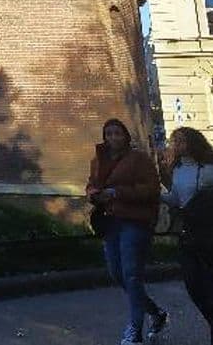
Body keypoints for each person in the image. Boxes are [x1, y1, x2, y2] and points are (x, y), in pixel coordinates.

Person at [87, 117, 169, 345]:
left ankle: (134, 331)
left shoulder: (139, 159)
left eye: (117, 133)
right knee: (117, 274)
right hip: (110, 221)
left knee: (132, 275)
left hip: (134, 222)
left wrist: (117, 193)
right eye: (109, 134)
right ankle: (155, 312)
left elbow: (150, 189)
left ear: (126, 136)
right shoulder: (98, 160)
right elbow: (91, 183)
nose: (113, 138)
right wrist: (93, 193)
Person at [162, 126, 213, 343]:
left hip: (209, 232)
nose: (177, 145)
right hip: (188, 232)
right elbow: (176, 198)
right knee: (193, 285)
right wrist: (158, 195)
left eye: (181, 141)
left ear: (193, 142)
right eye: (175, 141)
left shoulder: (210, 168)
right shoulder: (178, 169)